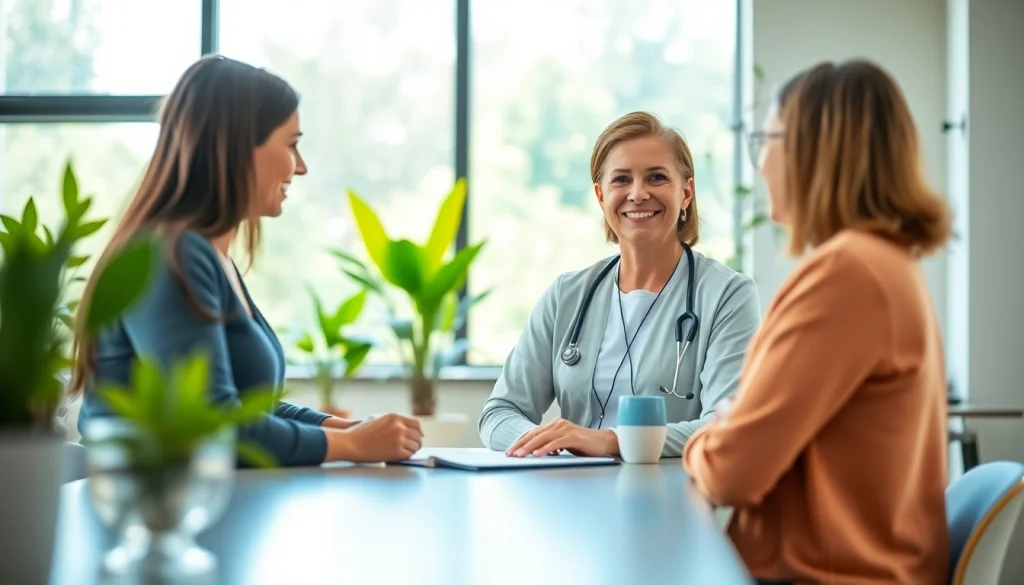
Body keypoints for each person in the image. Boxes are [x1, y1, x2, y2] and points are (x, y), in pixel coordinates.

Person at [70, 55, 423, 467]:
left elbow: (246, 410)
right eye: (292, 144)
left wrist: (343, 429)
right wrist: (353, 447)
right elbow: (213, 426)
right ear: (239, 147)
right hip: (150, 515)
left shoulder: (208, 257)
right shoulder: (168, 256)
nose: (301, 166)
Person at [682, 59, 952, 585]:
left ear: (814, 148)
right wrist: (729, 424)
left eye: (768, 139)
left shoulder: (847, 273)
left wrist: (706, 435)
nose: (761, 164)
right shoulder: (885, 263)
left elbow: (732, 473)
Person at [478, 111, 761, 458]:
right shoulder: (567, 295)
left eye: (656, 177)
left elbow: (726, 426)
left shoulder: (727, 295)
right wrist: (548, 443)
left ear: (686, 193)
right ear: (600, 196)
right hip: (573, 496)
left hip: (673, 501)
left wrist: (613, 441)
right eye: (621, 180)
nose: (638, 194)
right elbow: (498, 414)